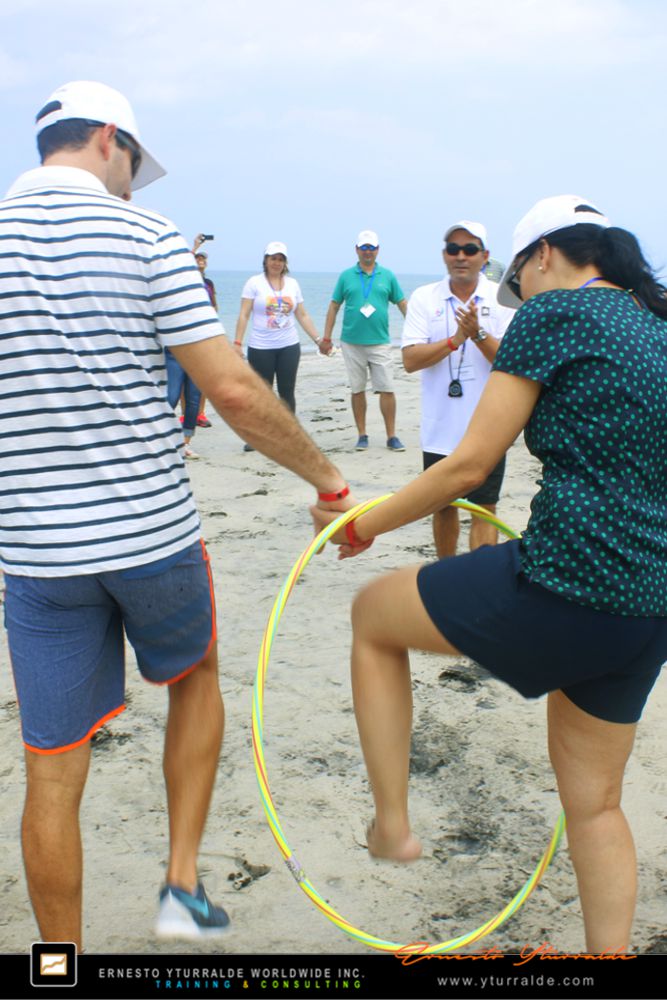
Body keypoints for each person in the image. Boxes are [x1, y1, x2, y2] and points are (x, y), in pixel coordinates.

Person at [2, 80, 355, 952]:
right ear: (111, 140)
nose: (135, 184)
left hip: (37, 554)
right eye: (133, 167)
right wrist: (329, 482)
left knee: (51, 767)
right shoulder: (145, 234)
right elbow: (230, 387)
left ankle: (58, 969)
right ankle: (180, 886)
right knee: (195, 680)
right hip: (150, 533)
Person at [312, 195, 667, 954]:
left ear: (544, 255)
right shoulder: (657, 327)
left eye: (518, 278)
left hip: (572, 580)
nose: (520, 296)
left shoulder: (553, 315)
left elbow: (470, 465)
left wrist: (363, 523)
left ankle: (392, 823)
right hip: (648, 605)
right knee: (596, 806)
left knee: (375, 615)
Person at [402, 221, 515, 556]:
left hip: (488, 428)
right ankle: (446, 576)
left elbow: (511, 362)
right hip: (440, 428)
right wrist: (454, 340)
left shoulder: (502, 300)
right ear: (444, 255)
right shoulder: (425, 297)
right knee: (442, 506)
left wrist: (478, 334)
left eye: (470, 249)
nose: (461, 256)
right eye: (453, 249)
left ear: (485, 256)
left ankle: (480, 582)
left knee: (485, 508)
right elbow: (410, 359)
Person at [233, 242, 329, 450]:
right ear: (265, 260)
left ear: (285, 263)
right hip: (260, 347)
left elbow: (302, 314)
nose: (276, 263)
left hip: (289, 346)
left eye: (280, 259)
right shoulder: (254, 283)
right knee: (262, 393)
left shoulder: (292, 284)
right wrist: (237, 342)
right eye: (272, 258)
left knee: (287, 391)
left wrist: (318, 340)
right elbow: (244, 314)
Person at [322, 230, 407, 452]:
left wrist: (416, 329)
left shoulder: (387, 276)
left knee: (387, 388)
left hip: (379, 341)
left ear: (378, 250)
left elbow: (401, 303)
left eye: (371, 247)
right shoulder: (346, 276)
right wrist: (326, 337)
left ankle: (391, 436)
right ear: (357, 250)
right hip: (351, 342)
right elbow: (334, 306)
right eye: (364, 247)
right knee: (357, 389)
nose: (368, 251)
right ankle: (362, 434)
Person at [192, 234, 218, 429]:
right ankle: (187, 415)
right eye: (198, 258)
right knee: (188, 378)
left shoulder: (209, 284)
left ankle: (200, 413)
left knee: (206, 378)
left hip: (206, 333)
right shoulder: (187, 279)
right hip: (190, 334)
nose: (201, 261)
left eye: (203, 259)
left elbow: (214, 306)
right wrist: (195, 246)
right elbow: (181, 265)